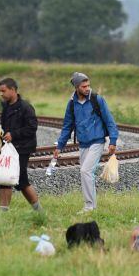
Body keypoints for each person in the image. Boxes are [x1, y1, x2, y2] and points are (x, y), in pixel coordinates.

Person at [54, 72, 119, 213]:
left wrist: (112, 141)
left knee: (85, 171)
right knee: (85, 173)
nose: (87, 88)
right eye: (84, 86)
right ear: (77, 87)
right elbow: (67, 126)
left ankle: (89, 207)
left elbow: (109, 120)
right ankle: (91, 205)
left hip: (97, 141)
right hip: (83, 144)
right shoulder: (71, 104)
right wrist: (60, 146)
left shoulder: (97, 99)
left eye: (88, 85)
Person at [0, 78, 42, 212]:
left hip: (22, 148)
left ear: (13, 90)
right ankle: (4, 213)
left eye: (3, 91)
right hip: (8, 148)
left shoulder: (26, 107)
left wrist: (14, 135)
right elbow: (5, 127)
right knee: (6, 180)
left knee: (17, 181)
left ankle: (39, 212)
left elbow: (32, 127)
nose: (1, 94)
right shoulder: (6, 107)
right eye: (0, 91)